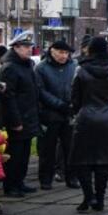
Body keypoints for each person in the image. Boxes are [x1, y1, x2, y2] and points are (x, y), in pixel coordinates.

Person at [68, 36, 108, 212]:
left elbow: (75, 97)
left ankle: (88, 196)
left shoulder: (81, 70)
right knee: (104, 161)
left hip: (86, 117)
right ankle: (100, 199)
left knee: (82, 159)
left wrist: (77, 111)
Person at [0, 32, 40, 198]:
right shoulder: (10, 67)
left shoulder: (27, 65)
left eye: (30, 47)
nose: (29, 50)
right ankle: (10, 185)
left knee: (24, 154)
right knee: (14, 154)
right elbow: (9, 97)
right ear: (15, 47)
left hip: (29, 115)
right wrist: (15, 121)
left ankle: (19, 182)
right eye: (25, 47)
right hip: (17, 118)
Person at [35, 39, 77, 190]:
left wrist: (73, 104)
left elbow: (77, 86)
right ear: (52, 51)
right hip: (49, 114)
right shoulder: (41, 68)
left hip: (69, 114)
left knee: (70, 148)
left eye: (66, 53)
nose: (63, 56)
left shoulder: (73, 66)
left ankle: (71, 177)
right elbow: (41, 92)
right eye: (60, 52)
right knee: (48, 149)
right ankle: (46, 179)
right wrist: (60, 105)